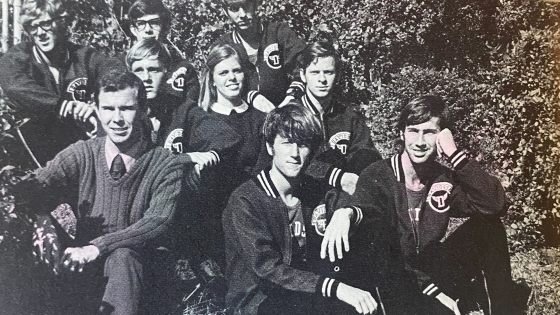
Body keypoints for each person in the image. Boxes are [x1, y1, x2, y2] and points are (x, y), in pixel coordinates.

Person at [322, 95, 519, 314]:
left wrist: (455, 155)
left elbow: (494, 205)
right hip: (395, 274)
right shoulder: (378, 175)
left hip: (431, 265)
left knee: (489, 227)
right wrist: (344, 213)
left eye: (429, 132)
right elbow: (365, 214)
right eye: (413, 131)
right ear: (401, 134)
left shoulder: (443, 178)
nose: (419, 142)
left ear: (441, 137)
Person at [14, 70, 188, 315]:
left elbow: (158, 221)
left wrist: (97, 248)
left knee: (122, 256)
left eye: (126, 109)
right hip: (87, 265)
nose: (116, 119)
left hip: (143, 273)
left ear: (143, 110)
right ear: (96, 109)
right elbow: (30, 188)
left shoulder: (165, 163)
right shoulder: (83, 153)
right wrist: (43, 221)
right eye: (108, 109)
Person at [223, 105, 382, 315]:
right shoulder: (246, 199)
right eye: (287, 143)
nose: (295, 154)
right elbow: (267, 269)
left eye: (303, 144)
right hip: (260, 302)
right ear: (270, 147)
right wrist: (335, 288)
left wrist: (348, 213)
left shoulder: (314, 190)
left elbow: (370, 208)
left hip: (307, 296)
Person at [0, 0, 123, 166]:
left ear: (62, 22)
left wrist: (96, 107)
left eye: (45, 24)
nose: (40, 33)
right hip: (33, 153)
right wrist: (62, 105)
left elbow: (118, 75)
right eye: (32, 27)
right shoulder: (19, 57)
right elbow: (14, 85)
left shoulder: (83, 56)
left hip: (79, 149)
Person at [126, 38, 241, 191]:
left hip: (173, 195)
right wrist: (185, 159)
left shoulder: (181, 108)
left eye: (154, 70)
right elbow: (134, 163)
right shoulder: (122, 110)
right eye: (139, 70)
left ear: (166, 72)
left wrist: (202, 163)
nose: (146, 78)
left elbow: (227, 137)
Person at [294, 39, 381, 196]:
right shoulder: (291, 116)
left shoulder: (349, 117)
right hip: (303, 197)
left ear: (338, 75)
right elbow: (292, 162)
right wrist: (336, 176)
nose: (322, 79)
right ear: (303, 75)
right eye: (315, 72)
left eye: (328, 72)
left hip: (342, 197)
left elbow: (367, 156)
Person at [212, 0, 307, 112]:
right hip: (244, 116)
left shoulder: (278, 33)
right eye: (234, 8)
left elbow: (305, 63)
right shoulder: (224, 45)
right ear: (225, 11)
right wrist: (251, 96)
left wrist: (292, 96)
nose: (242, 15)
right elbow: (218, 86)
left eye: (246, 6)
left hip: (285, 109)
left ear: (256, 4)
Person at [127, 0, 200, 102]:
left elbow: (191, 111)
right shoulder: (121, 65)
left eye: (154, 23)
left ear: (166, 28)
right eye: (141, 24)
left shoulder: (182, 69)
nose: (148, 30)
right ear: (133, 29)